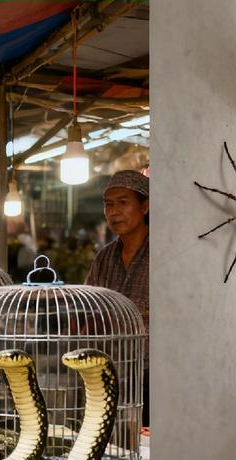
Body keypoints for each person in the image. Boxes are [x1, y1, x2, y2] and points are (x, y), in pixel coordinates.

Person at [86, 170, 149, 423]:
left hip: (154, 373)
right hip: (112, 371)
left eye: (123, 203)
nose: (114, 212)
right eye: (109, 205)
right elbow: (89, 307)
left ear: (145, 206)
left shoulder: (164, 251)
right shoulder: (104, 258)